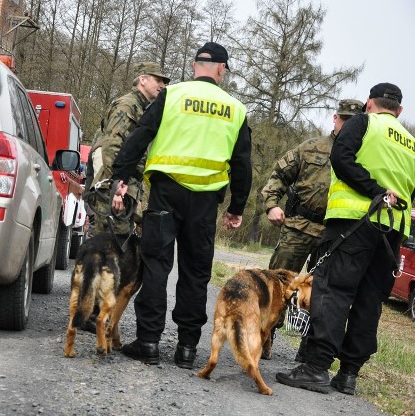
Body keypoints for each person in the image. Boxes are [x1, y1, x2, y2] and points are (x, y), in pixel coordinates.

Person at [110, 42, 252, 368]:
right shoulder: (235, 108)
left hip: (165, 194)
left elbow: (140, 136)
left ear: (194, 65)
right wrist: (237, 207)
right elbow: (243, 163)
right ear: (221, 69)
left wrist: (120, 176)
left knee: (157, 265)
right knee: (196, 273)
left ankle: (148, 342)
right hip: (204, 203)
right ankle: (187, 349)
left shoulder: (171, 95)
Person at [276, 83, 415, 395]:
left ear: (369, 104)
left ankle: (316, 367)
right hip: (392, 232)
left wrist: (374, 191)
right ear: (400, 111)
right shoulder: (410, 141)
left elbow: (341, 158)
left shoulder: (362, 124)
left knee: (333, 291)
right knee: (370, 300)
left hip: (354, 224)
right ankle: (349, 374)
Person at [261, 98, 364, 360]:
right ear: (335, 118)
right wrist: (272, 205)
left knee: (323, 293)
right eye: (344, 119)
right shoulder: (312, 148)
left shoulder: (364, 156)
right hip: (299, 227)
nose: (347, 125)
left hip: (336, 234)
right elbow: (278, 176)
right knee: (279, 282)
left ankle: (310, 350)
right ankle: (264, 334)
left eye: (354, 122)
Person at [85, 61, 170, 236]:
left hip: (122, 187)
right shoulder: (127, 106)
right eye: (158, 79)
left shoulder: (144, 108)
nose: (162, 85)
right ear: (143, 79)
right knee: (109, 245)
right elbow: (112, 146)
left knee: (115, 245)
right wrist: (116, 186)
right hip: (113, 190)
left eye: (164, 81)